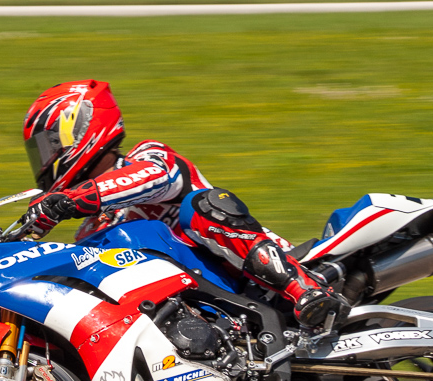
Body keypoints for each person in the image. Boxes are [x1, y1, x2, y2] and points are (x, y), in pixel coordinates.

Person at [20, 79, 347, 328]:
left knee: (202, 205)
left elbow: (156, 177)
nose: (46, 162)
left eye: (49, 147)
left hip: (254, 281)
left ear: (78, 131)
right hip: (200, 311)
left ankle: (305, 288)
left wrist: (68, 200)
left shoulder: (149, 157)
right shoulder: (94, 227)